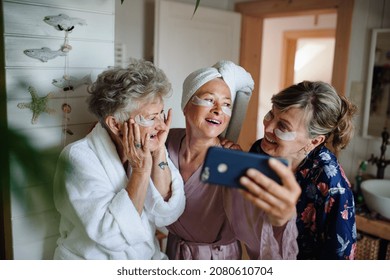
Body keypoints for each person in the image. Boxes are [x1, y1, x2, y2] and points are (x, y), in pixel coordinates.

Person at [165, 60, 301, 260]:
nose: (219, 109)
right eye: (209, 100)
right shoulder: (165, 141)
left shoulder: (233, 164)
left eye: (227, 104)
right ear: (186, 104)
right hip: (173, 253)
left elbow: (258, 226)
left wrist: (280, 218)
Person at [52, 59, 185, 259]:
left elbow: (167, 214)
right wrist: (140, 171)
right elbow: (112, 234)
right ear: (115, 124)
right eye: (150, 117)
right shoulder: (78, 158)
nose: (160, 125)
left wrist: (158, 152)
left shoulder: (150, 148)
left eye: (161, 114)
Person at [249, 80, 357, 260]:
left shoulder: (332, 184)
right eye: (270, 114)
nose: (267, 128)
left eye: (283, 126)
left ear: (314, 142)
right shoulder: (260, 151)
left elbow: (340, 259)